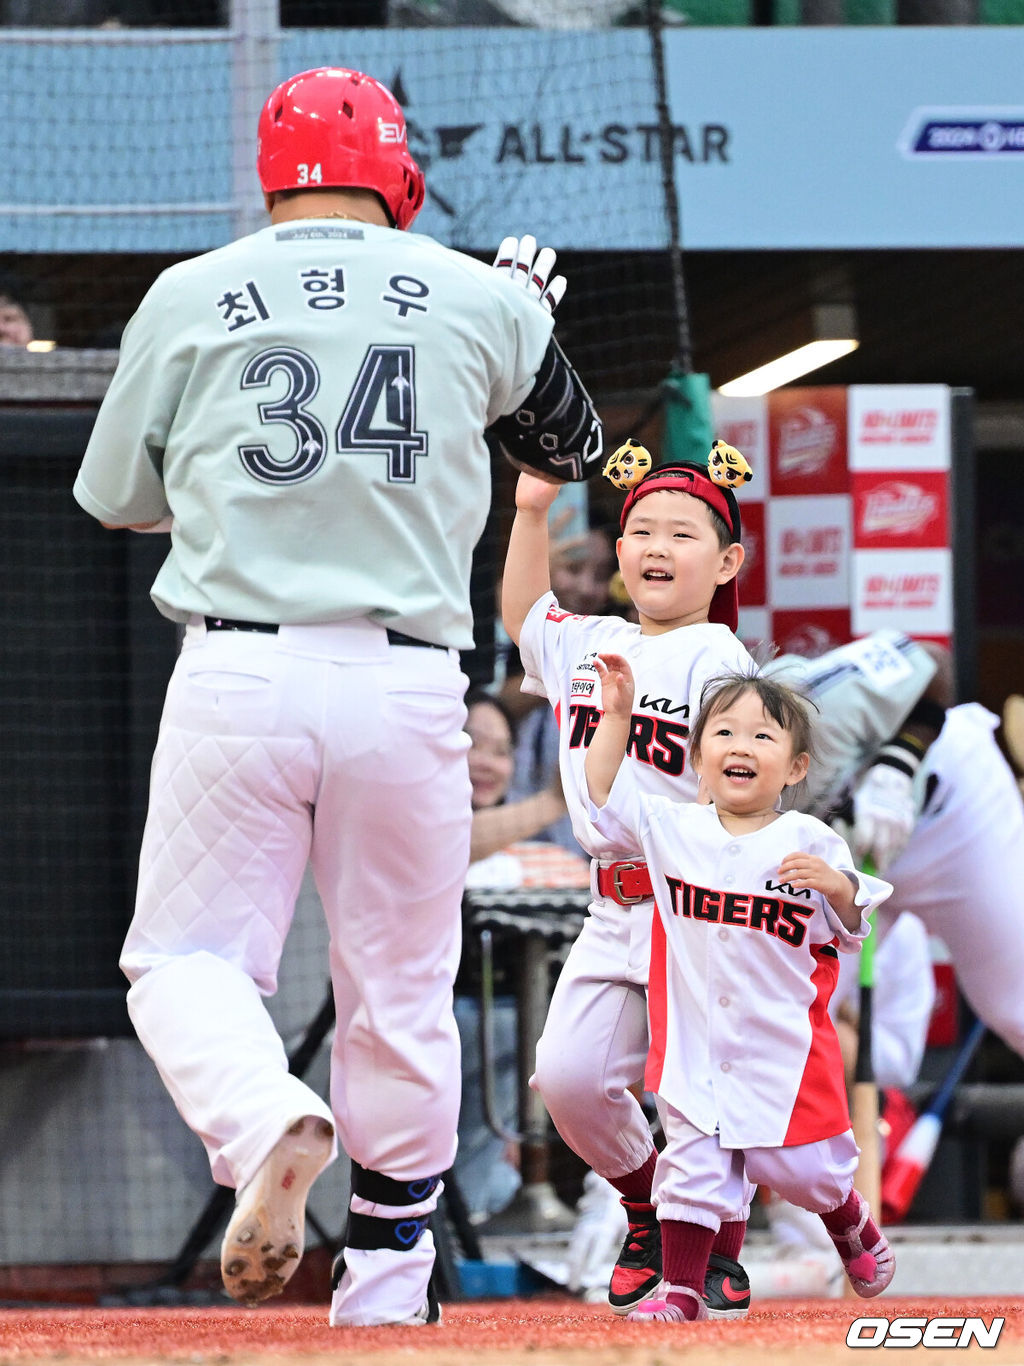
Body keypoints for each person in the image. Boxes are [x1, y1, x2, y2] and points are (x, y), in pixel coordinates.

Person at [71, 67, 603, 1329]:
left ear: (273, 175)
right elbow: (574, 451)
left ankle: (265, 1115)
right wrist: (521, 330)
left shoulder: (189, 290)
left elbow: (109, 498)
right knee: (400, 985)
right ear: (397, 174)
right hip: (410, 680)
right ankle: (384, 1282)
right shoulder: (479, 293)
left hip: (239, 667)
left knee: (186, 959)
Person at [501, 449, 758, 1317]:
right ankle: (646, 1203)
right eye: (640, 529)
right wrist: (533, 512)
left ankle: (714, 1240)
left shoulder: (720, 658)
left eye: (682, 533)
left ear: (726, 563)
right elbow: (525, 615)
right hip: (610, 903)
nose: (655, 544)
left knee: (699, 1088)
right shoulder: (593, 642)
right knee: (566, 1078)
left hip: (694, 903)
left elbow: (743, 783)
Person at [582, 659, 895, 1322]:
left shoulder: (810, 839)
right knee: (690, 1173)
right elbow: (606, 791)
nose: (740, 747)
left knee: (804, 1173)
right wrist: (616, 719)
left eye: (762, 737)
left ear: (797, 768)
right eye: (724, 733)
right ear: (698, 757)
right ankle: (682, 1293)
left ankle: (846, 1217)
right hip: (693, 1043)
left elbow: (855, 916)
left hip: (781, 1050)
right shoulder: (673, 830)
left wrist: (837, 886)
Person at [455, 688, 588, 1221]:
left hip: (512, 1019)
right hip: (435, 1022)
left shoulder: (524, 848)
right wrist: (557, 800)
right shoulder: (408, 816)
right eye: (473, 744)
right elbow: (451, 841)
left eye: (502, 750)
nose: (487, 763)